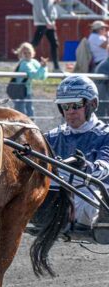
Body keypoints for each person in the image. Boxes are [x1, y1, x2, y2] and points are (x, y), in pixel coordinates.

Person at [44, 75, 109, 229]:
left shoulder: (105, 135)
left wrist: (85, 167)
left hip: (94, 198)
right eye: (65, 106)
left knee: (89, 203)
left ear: (92, 104)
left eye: (76, 105)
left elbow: (104, 170)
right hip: (60, 201)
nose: (70, 111)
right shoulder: (52, 137)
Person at [32, 0, 61, 73]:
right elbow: (39, 9)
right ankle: (24, 60)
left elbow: (48, 7)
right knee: (35, 43)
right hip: (42, 23)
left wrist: (54, 2)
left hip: (49, 23)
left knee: (54, 44)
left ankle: (56, 67)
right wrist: (47, 22)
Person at [10, 41, 48, 117]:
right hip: (19, 92)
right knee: (21, 112)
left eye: (29, 52)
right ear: (20, 54)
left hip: (27, 90)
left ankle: (29, 123)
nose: (27, 54)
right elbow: (35, 75)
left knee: (29, 109)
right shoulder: (24, 64)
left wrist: (43, 67)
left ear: (32, 53)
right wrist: (43, 67)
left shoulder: (33, 62)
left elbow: (42, 76)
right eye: (25, 53)